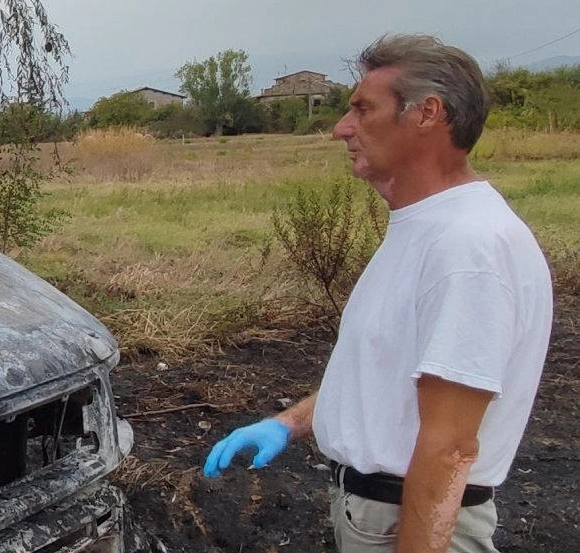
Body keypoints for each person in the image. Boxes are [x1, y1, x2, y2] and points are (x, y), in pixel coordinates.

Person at [201, 35, 553, 553]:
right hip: (377, 513)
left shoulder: (468, 246)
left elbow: (450, 447)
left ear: (428, 114)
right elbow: (391, 373)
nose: (342, 128)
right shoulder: (425, 227)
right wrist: (290, 422)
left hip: (411, 522)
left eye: (363, 109)